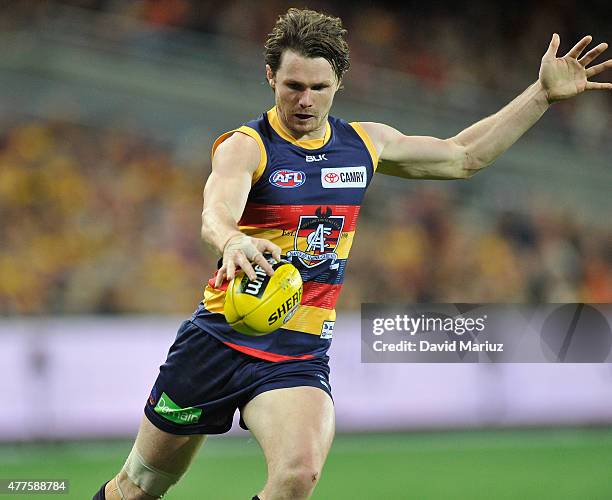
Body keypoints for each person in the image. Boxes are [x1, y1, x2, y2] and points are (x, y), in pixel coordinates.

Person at [94, 7, 612, 500]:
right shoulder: (245, 146)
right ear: (269, 76)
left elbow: (464, 156)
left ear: (338, 84)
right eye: (294, 85)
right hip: (217, 340)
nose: (305, 100)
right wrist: (231, 239)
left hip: (295, 355)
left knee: (298, 473)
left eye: (319, 88)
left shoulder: (365, 144)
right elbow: (215, 212)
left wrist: (540, 96)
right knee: (139, 486)